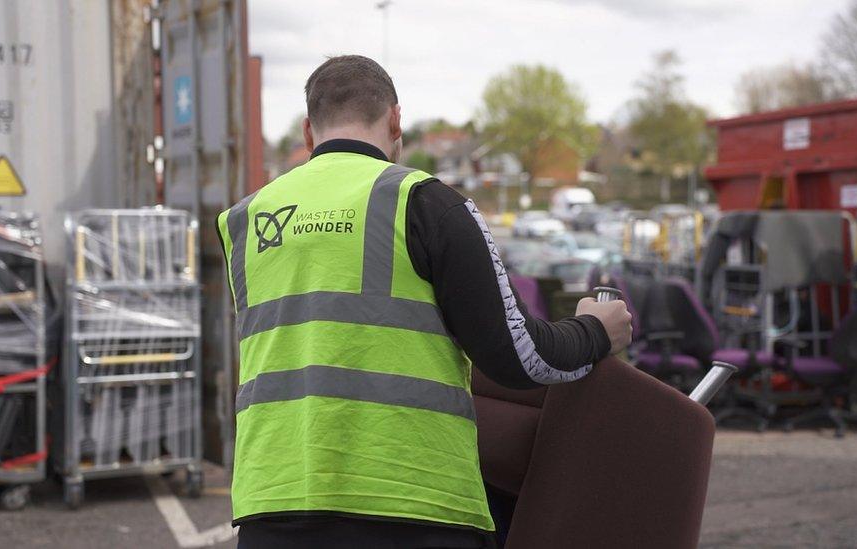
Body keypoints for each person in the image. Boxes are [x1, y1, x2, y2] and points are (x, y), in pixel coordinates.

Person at [217, 54, 632, 549]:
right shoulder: (426, 203)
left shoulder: (244, 221)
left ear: (309, 132)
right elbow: (520, 356)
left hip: (273, 505)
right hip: (412, 504)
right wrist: (596, 331)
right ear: (396, 120)